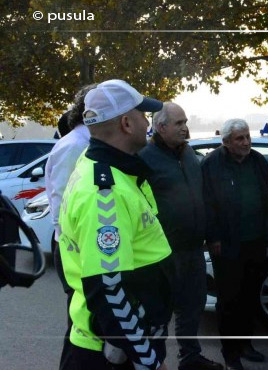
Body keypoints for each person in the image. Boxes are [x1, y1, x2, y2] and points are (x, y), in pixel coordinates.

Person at [58, 79, 173, 370]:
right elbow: (109, 290)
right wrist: (146, 357)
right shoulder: (105, 193)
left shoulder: (107, 167)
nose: (147, 121)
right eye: (142, 114)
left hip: (120, 342)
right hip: (112, 351)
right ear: (126, 123)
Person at [139, 102, 223, 370]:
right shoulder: (143, 158)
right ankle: (156, 362)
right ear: (160, 127)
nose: (185, 128)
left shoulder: (188, 155)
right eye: (179, 123)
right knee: (160, 311)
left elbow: (204, 198)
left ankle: (190, 358)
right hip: (162, 252)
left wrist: (212, 235)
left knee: (193, 306)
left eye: (186, 122)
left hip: (194, 248)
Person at [201, 118, 268, 370]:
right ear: (225, 142)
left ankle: (246, 344)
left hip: (255, 241)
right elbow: (207, 205)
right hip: (227, 245)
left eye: (247, 137)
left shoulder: (257, 161)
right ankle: (230, 352)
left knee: (249, 297)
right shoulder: (212, 164)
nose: (246, 142)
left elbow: (267, 200)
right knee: (229, 301)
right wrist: (212, 238)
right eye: (239, 139)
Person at [44, 84, 95, 370]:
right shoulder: (75, 145)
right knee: (80, 324)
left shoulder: (82, 142)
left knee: (86, 323)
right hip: (75, 248)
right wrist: (75, 250)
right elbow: (61, 203)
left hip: (81, 246)